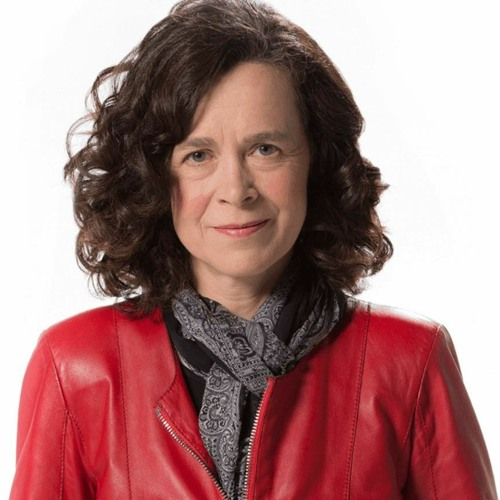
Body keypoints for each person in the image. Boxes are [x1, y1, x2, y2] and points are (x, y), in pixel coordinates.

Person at [10, 0, 497, 498]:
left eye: (266, 149)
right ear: (152, 176)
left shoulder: (410, 362)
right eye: (198, 155)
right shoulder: (75, 368)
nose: (235, 190)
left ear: (316, 162)